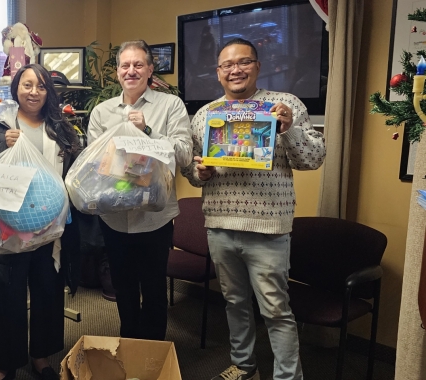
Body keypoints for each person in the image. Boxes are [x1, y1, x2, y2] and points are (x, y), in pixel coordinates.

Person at [180, 38, 326, 380]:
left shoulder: (283, 105)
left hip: (268, 228)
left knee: (276, 311)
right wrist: (199, 172)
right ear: (218, 73)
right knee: (235, 304)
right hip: (220, 225)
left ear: (258, 66)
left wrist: (288, 131)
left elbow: (314, 158)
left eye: (244, 62)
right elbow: (193, 172)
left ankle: (288, 377)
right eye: (227, 65)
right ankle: (245, 366)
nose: (236, 70)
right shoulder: (206, 116)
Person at [0, 63, 82, 380]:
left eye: (41, 86)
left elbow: (75, 167)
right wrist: (0, 145)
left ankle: (41, 357)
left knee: (48, 293)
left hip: (51, 227)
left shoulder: (61, 125)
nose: (34, 92)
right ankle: (5, 364)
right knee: (10, 296)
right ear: (16, 88)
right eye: (27, 85)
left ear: (49, 92)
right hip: (9, 226)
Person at [87, 40, 193, 341]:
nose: (130, 71)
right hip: (114, 218)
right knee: (124, 290)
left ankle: (153, 355)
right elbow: (95, 165)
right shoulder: (102, 112)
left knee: (154, 289)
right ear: (117, 72)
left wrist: (148, 133)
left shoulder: (170, 106)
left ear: (149, 70)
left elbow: (184, 156)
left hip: (154, 218)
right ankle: (129, 347)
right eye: (124, 65)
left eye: (138, 65)